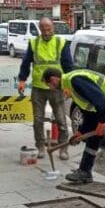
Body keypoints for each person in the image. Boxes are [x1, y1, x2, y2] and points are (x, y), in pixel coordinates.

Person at [43, 67, 105, 199]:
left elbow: (101, 100)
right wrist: (80, 132)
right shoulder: (72, 88)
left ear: (53, 80)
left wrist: (102, 123)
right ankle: (85, 172)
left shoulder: (75, 81)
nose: (52, 89)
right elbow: (90, 115)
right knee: (94, 138)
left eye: (50, 85)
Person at [17, 17, 73, 160]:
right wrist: (22, 80)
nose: (47, 32)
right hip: (38, 88)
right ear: (40, 30)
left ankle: (62, 148)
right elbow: (26, 62)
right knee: (38, 120)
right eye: (44, 30)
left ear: (53, 28)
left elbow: (68, 67)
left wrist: (68, 86)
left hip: (57, 88)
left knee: (61, 119)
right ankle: (40, 146)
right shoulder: (34, 43)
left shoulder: (61, 43)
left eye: (49, 29)